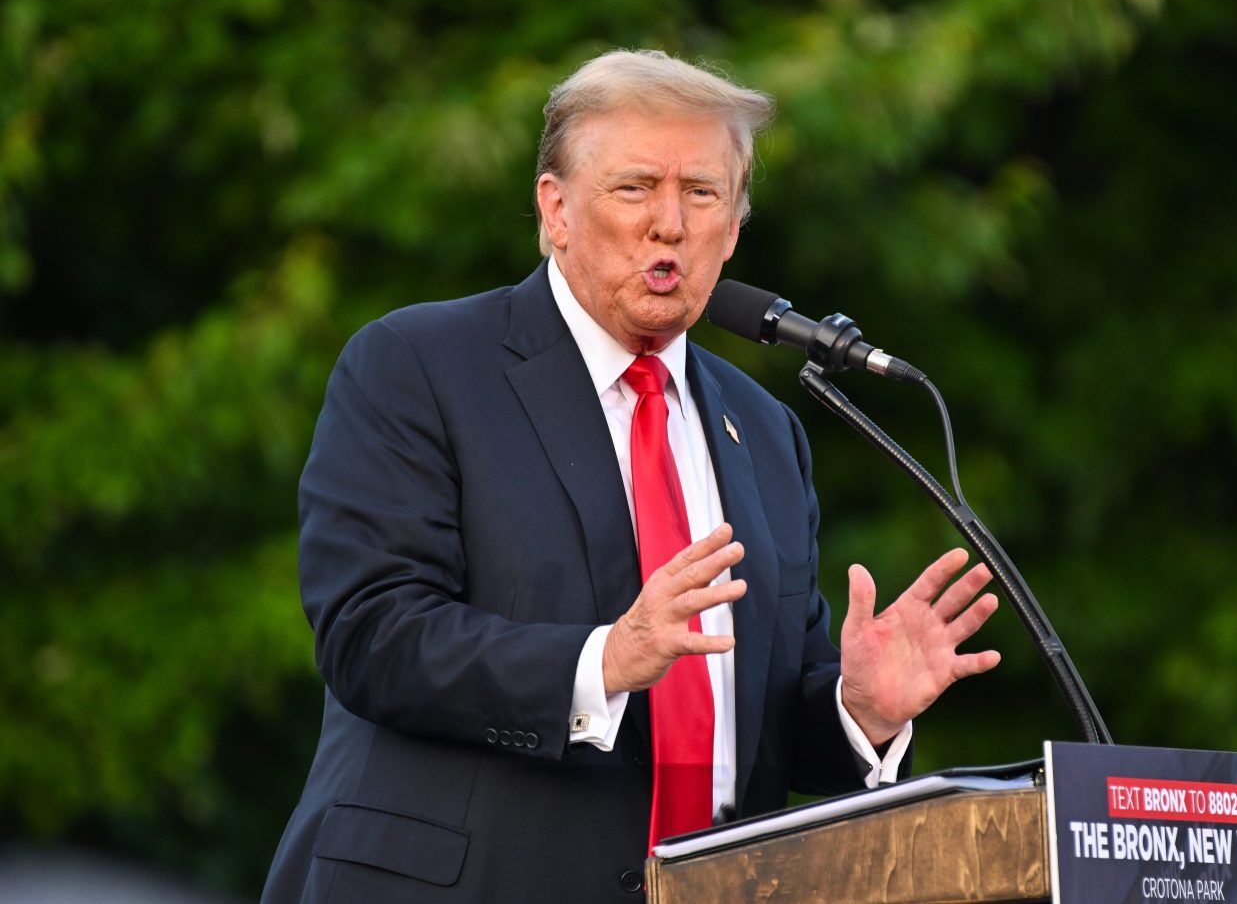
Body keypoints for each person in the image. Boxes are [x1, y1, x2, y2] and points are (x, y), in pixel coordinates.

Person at [261, 49, 1001, 904]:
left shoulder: (765, 433)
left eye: (702, 194)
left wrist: (860, 711)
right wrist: (602, 660)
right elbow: (371, 634)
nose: (670, 225)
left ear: (733, 228)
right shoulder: (418, 366)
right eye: (634, 188)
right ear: (556, 209)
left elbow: (763, 737)